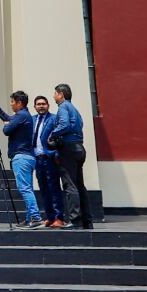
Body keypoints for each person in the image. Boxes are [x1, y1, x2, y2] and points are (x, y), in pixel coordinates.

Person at [49, 84, 93, 230]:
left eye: (55, 93)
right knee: (80, 185)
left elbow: (64, 124)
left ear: (61, 94)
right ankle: (87, 221)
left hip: (68, 149)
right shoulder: (75, 109)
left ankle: (75, 220)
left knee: (69, 185)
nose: (54, 96)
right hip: (79, 147)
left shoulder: (63, 107)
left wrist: (52, 135)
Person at [0, 91, 43, 230]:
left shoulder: (21, 115)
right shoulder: (23, 115)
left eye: (12, 102)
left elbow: (7, 129)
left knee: (24, 188)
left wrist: (6, 124)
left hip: (21, 157)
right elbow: (9, 119)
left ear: (19, 103)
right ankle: (29, 218)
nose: (11, 105)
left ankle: (35, 217)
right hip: (27, 157)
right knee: (27, 188)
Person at [30, 95, 65, 229]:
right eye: (38, 104)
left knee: (54, 188)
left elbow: (59, 137)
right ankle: (50, 217)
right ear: (34, 107)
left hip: (49, 158)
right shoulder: (32, 120)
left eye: (43, 104)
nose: (41, 106)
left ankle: (59, 218)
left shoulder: (54, 118)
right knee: (43, 189)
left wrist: (56, 153)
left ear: (48, 105)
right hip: (37, 159)